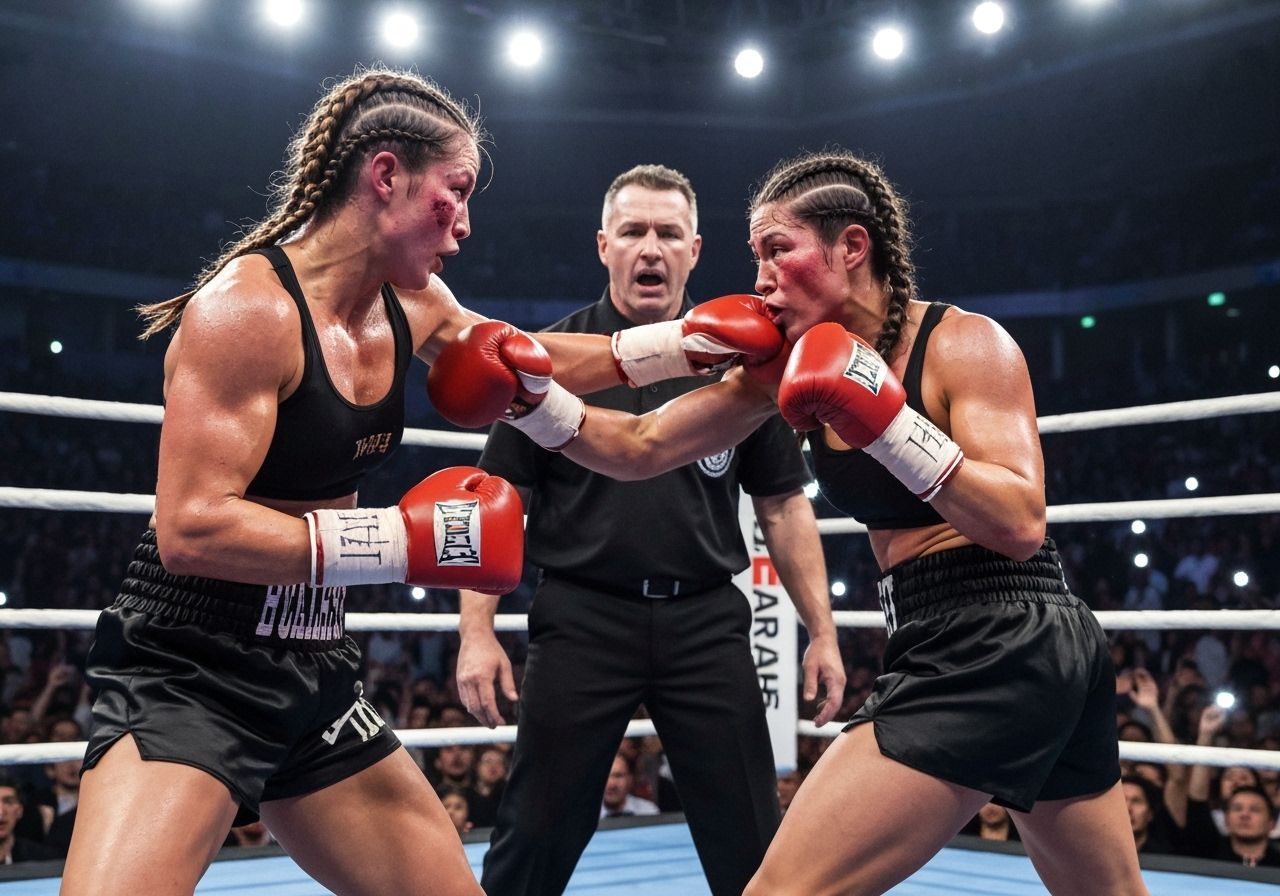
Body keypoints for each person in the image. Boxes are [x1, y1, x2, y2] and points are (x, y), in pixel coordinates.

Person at [434, 148, 1150, 895]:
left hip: (1003, 634)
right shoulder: (783, 369)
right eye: (757, 257)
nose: (761, 278)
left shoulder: (963, 342)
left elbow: (1021, 522)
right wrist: (530, 399)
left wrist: (887, 423)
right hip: (942, 631)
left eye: (778, 250)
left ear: (852, 246)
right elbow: (641, 446)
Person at [58, 66, 636, 896]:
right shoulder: (246, 311)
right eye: (455, 192)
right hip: (192, 669)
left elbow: (527, 359)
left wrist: (687, 347)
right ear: (386, 175)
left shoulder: (412, 303)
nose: (465, 225)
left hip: (312, 659)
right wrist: (401, 542)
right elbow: (191, 529)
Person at [453, 163, 845, 896]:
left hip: (706, 621)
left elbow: (783, 504)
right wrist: (476, 631)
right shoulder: (550, 356)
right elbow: (497, 497)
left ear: (695, 250)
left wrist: (822, 630)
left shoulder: (744, 359)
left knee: (753, 838)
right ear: (604, 245)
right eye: (633, 231)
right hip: (582, 617)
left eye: (669, 233)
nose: (651, 248)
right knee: (534, 834)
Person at [600, 753, 659, 819]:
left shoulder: (648, 812)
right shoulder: (590, 812)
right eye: (605, 776)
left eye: (618, 776)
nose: (611, 785)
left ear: (630, 779)